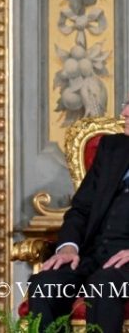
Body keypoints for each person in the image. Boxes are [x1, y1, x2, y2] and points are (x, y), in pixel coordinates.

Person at [28, 102, 129, 332]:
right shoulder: (112, 148)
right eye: (126, 105)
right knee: (44, 284)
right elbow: (81, 209)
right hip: (91, 255)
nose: (123, 113)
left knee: (104, 285)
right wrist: (68, 247)